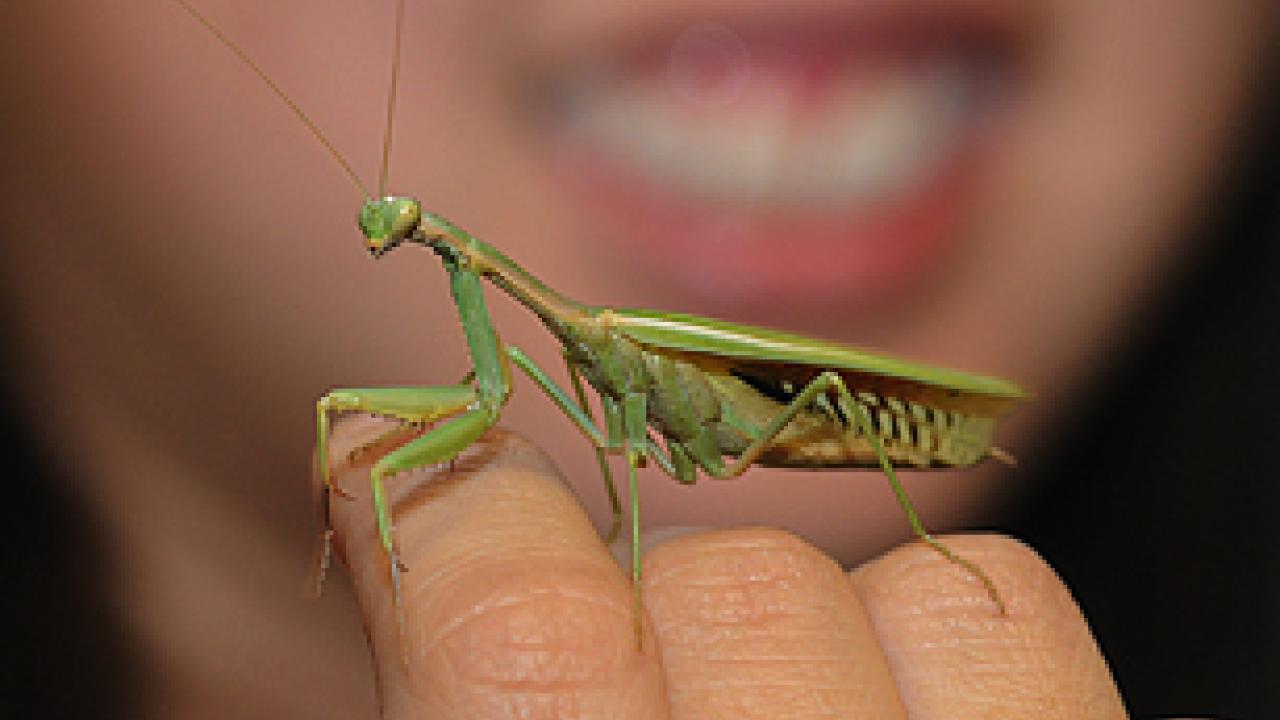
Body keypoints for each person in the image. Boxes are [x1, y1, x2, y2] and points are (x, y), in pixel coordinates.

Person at [1, 1, 1274, 717]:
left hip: (844, 412)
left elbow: (523, 414)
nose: (398, 230)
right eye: (394, 227)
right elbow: (515, 410)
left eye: (403, 227)